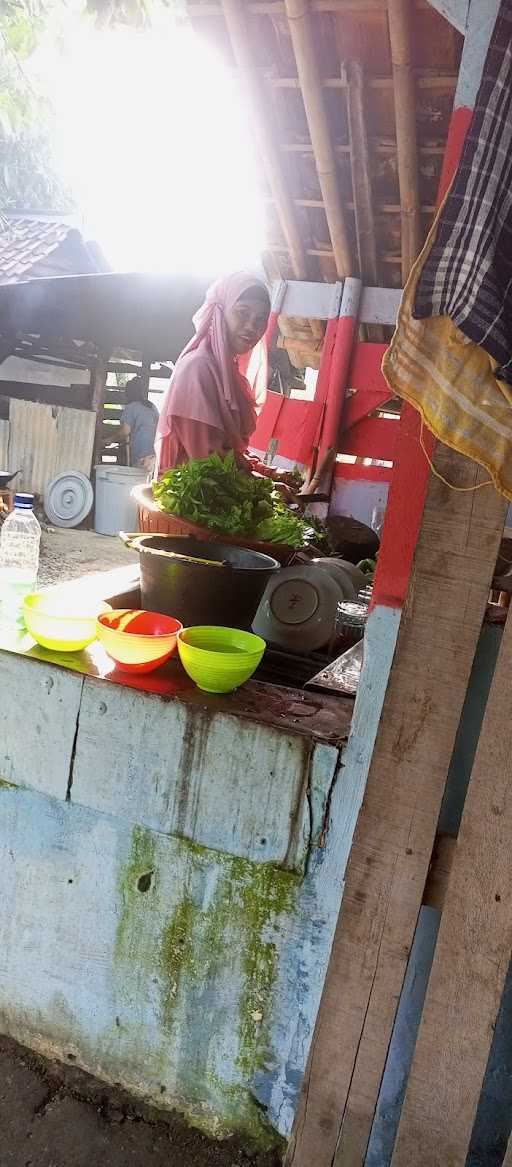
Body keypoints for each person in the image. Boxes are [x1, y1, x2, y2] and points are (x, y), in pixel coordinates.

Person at [154, 272, 294, 490]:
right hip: (187, 503)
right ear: (220, 312)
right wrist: (268, 486)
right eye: (242, 313)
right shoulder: (198, 368)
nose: (251, 327)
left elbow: (229, 450)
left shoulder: (228, 374)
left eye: (260, 320)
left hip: (216, 495)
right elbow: (208, 461)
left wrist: (271, 473)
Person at [119, 375, 159, 473]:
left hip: (140, 456)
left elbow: (125, 431)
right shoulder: (151, 406)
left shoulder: (131, 407)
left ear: (128, 393)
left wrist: (108, 440)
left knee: (138, 483)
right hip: (154, 455)